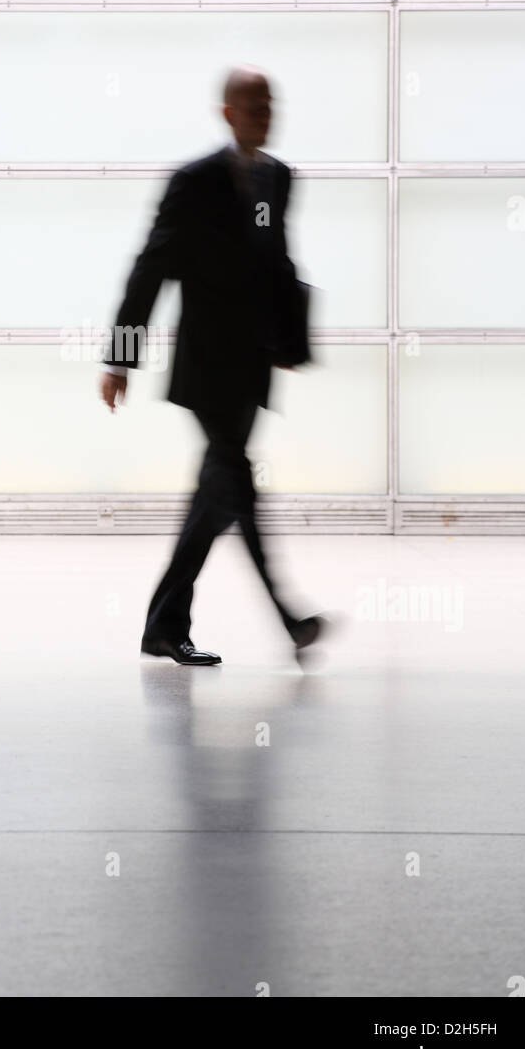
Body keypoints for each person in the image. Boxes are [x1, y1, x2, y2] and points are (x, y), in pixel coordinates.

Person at [99, 66, 326, 666]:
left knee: (219, 497)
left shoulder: (277, 180)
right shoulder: (194, 182)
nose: (264, 113)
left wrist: (289, 342)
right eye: (253, 105)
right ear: (227, 113)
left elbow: (276, 261)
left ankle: (164, 625)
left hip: (252, 367)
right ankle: (288, 619)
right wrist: (121, 357)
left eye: (270, 103)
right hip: (205, 367)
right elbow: (150, 268)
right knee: (237, 487)